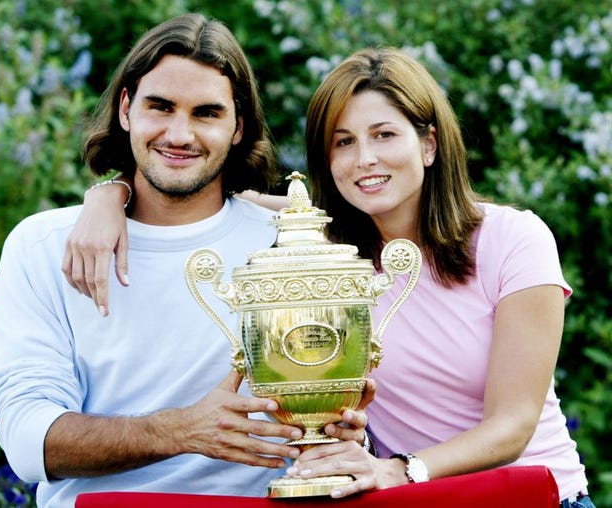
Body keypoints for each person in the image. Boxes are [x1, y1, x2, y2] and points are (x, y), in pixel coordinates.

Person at [62, 46, 595, 508]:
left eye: (384, 134)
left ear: (428, 144)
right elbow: (205, 194)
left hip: (535, 498)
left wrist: (399, 470)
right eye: (342, 142)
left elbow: (513, 424)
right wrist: (109, 194)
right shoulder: (324, 251)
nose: (365, 159)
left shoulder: (513, 239)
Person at [0, 14, 368, 508]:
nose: (179, 134)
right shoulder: (44, 246)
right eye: (160, 107)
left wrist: (342, 430)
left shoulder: (291, 246)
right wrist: (182, 430)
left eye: (206, 113)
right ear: (125, 109)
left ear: (237, 126)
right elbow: (30, 443)